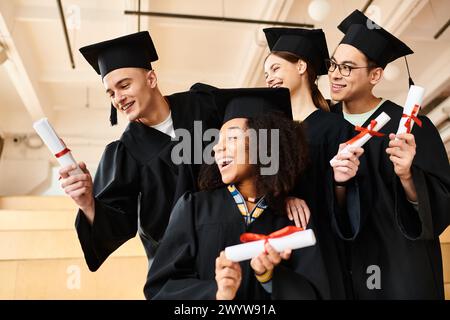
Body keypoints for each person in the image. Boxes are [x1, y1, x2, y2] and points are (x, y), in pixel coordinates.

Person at [59, 31, 224, 299]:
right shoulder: (125, 152)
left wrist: (282, 192)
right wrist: (88, 202)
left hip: (231, 238)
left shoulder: (203, 105)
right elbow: (117, 222)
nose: (117, 98)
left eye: (124, 86)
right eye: (111, 92)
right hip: (181, 267)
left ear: (151, 78)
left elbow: (258, 138)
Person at [146, 87, 332, 299]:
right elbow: (159, 290)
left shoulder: (294, 217)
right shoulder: (194, 208)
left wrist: (270, 278)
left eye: (232, 138)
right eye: (218, 140)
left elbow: (316, 294)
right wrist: (216, 293)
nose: (218, 148)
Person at [328, 10, 450, 299]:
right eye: (333, 64)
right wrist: (339, 183)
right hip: (346, 264)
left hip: (402, 266)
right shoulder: (324, 126)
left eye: (347, 67)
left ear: (375, 74)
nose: (335, 73)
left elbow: (441, 205)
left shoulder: (410, 125)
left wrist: (408, 176)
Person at [263, 27, 365, 298]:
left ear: (301, 66)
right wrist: (282, 198)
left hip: (321, 247)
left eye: (274, 69)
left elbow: (347, 207)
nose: (269, 78)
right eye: (266, 74)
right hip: (275, 247)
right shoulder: (269, 132)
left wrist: (341, 183)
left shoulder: (336, 128)